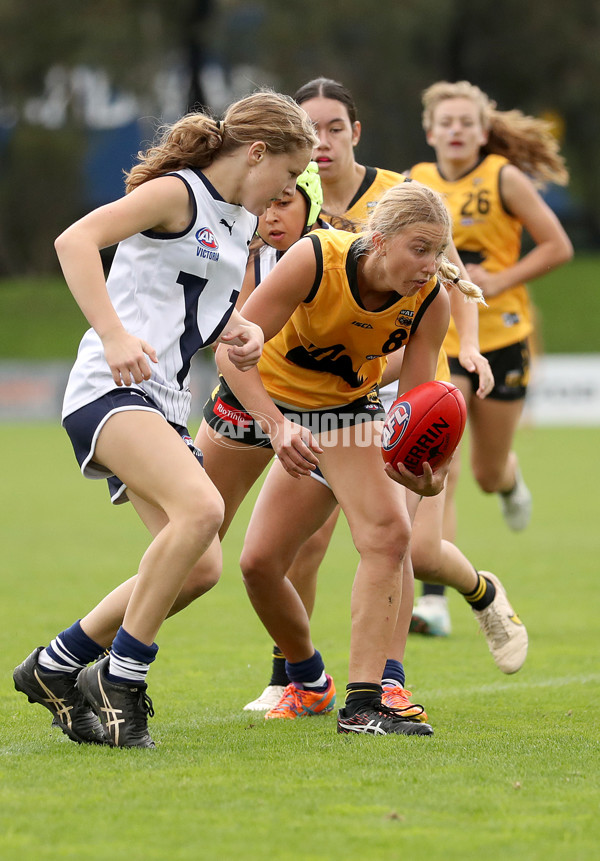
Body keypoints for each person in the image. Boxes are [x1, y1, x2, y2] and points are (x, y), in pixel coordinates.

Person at [12, 90, 317, 748]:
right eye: (288, 177)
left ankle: (57, 665)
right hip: (109, 389)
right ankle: (121, 679)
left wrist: (239, 330)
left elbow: (191, 299)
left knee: (200, 565)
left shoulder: (238, 222)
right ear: (257, 152)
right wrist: (113, 334)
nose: (286, 194)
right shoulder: (180, 193)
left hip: (161, 404)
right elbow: (76, 240)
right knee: (204, 509)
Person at [245, 77, 522, 711]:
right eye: (308, 130)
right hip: (306, 388)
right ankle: (293, 677)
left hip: (375, 384)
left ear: (354, 132)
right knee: (287, 551)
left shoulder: (401, 198)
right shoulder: (287, 198)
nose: (320, 141)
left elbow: (448, 280)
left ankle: (392, 674)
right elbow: (249, 316)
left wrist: (468, 347)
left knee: (405, 543)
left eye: (334, 128)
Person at [215, 181, 485, 736]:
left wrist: (421, 474)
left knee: (389, 533)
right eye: (420, 249)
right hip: (257, 399)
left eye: (438, 252)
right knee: (245, 562)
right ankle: (307, 678)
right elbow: (230, 350)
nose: (430, 265)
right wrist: (276, 424)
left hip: (343, 413)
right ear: (380, 241)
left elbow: (412, 406)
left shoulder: (430, 299)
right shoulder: (315, 258)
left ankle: (365, 704)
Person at [409, 80, 573, 635]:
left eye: (465, 122)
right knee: (443, 468)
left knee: (484, 472)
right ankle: (434, 598)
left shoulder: (503, 177)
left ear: (483, 132)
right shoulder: (417, 181)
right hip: (445, 341)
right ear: (430, 131)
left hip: (502, 335)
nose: (455, 130)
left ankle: (509, 481)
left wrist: (500, 280)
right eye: (445, 122)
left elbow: (558, 246)